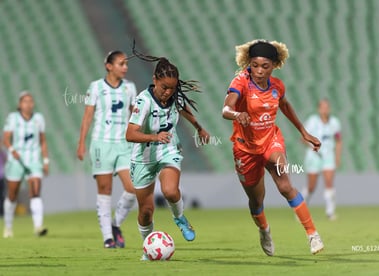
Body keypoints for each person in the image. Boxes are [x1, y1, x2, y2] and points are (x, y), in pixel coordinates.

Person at [222, 39, 324, 255]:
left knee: (286, 186)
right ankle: (264, 229)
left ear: (274, 65)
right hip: (245, 150)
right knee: (256, 200)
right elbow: (226, 108)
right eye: (255, 65)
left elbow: (285, 106)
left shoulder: (277, 86)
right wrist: (237, 114)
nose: (259, 71)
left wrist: (304, 133)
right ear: (249, 63)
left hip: (271, 142)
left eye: (265, 66)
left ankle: (312, 234)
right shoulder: (241, 82)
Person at [125, 49, 209, 261]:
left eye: (172, 88)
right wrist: (154, 137)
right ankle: (148, 247)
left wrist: (199, 127)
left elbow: (184, 109)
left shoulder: (175, 97)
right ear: (154, 80)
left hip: (168, 149)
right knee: (146, 211)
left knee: (171, 191)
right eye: (164, 88)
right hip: (143, 157)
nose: (167, 93)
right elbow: (130, 134)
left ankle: (180, 219)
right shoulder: (143, 101)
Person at [77, 51, 137, 248]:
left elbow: (135, 115)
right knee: (105, 190)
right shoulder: (96, 87)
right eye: (121, 64)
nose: (125, 67)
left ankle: (115, 224)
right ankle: (108, 238)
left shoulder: (130, 87)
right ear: (109, 66)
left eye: (126, 64)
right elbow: (87, 117)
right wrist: (81, 143)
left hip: (124, 145)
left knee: (133, 188)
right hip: (101, 144)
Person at [2, 91, 49, 238]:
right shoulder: (13, 118)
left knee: (35, 190)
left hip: (34, 159)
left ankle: (38, 226)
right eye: (25, 101)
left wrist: (46, 160)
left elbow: (42, 141)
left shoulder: (39, 118)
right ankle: (8, 227)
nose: (28, 104)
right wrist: (11, 150)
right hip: (16, 160)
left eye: (31, 101)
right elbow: (6, 138)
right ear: (19, 104)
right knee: (12, 194)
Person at [301, 99, 342, 220]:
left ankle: (330, 212)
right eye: (322, 107)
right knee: (311, 187)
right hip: (314, 156)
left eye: (327, 107)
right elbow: (303, 138)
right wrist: (313, 146)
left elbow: (339, 140)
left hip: (328, 156)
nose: (325, 109)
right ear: (319, 109)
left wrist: (337, 157)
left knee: (329, 182)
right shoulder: (312, 121)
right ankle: (301, 210)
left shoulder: (334, 122)